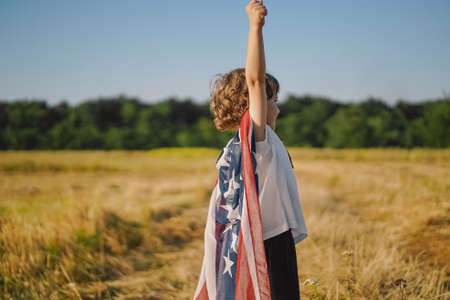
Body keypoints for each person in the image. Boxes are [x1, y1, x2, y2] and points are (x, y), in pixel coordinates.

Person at [199, 0, 308, 299]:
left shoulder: (245, 146)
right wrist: (255, 26)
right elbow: (255, 79)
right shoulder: (256, 138)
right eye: (271, 100)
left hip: (269, 240)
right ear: (251, 105)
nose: (277, 107)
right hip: (269, 244)